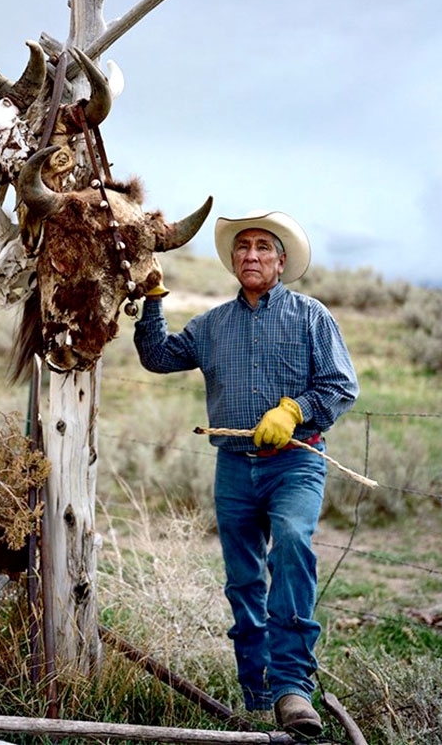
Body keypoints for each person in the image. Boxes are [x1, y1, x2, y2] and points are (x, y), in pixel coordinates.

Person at [134, 210, 359, 738]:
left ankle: (292, 689)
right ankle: (255, 693)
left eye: (263, 247)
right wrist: (151, 300)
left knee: (293, 545)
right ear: (234, 260)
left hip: (297, 461)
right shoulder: (212, 325)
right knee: (243, 581)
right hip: (233, 467)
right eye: (243, 248)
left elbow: (340, 386)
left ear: (281, 262)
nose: (251, 255)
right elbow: (158, 356)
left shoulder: (311, 317)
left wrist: (293, 411)